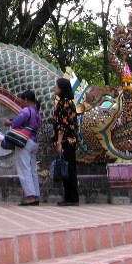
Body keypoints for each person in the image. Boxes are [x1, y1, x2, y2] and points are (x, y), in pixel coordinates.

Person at [5, 90, 42, 206]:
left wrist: (9, 122)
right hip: (34, 142)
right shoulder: (37, 112)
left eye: (22, 99)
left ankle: (29, 196)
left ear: (26, 100)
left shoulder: (26, 111)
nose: (21, 102)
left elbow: (16, 122)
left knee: (24, 169)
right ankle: (35, 195)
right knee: (33, 169)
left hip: (25, 141)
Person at [52, 77, 79, 206]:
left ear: (61, 88)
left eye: (56, 86)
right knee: (68, 168)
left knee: (68, 169)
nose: (54, 88)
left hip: (67, 141)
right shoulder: (66, 102)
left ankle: (72, 198)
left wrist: (59, 143)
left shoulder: (65, 103)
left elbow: (62, 126)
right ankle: (70, 197)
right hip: (69, 140)